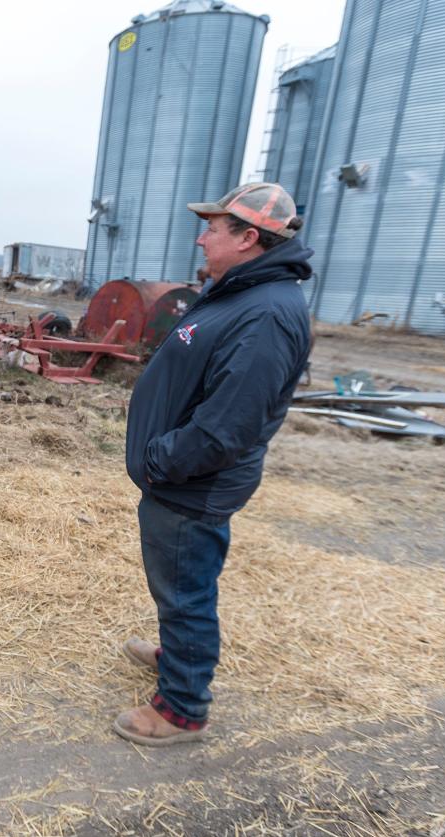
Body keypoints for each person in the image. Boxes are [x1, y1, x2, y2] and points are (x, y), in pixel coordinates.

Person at [115, 183, 313, 746]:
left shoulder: (266, 313)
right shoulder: (239, 293)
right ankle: (177, 654)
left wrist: (160, 462)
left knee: (186, 590)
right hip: (180, 478)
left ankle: (181, 709)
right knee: (180, 582)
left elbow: (227, 426)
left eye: (214, 228)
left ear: (249, 237)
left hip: (190, 485)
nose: (201, 238)